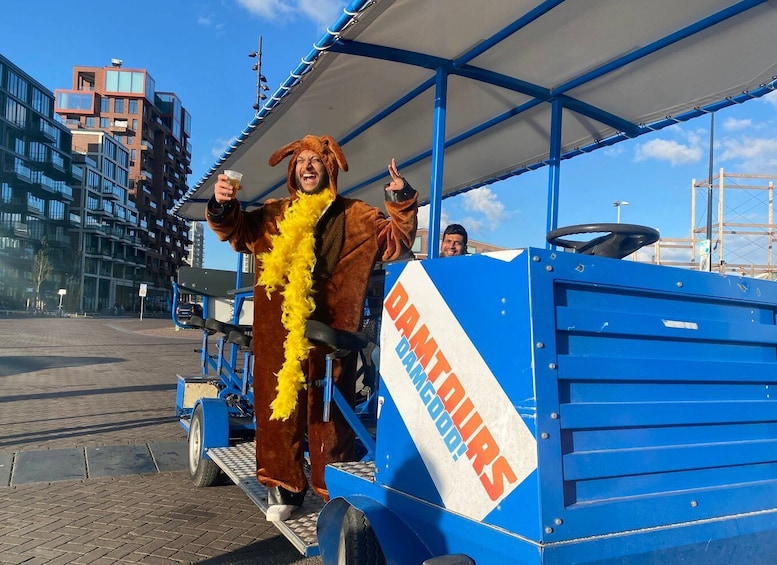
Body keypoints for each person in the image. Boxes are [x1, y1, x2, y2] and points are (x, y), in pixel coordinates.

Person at [206, 134, 418, 521]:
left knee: (330, 413)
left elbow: (396, 243)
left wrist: (401, 200)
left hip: (331, 330)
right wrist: (222, 204)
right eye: (302, 160)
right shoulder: (273, 213)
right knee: (278, 410)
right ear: (293, 170)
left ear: (329, 169)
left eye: (316, 160)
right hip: (278, 330)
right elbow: (236, 232)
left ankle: (330, 484)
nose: (308, 165)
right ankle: (283, 485)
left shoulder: (356, 215)